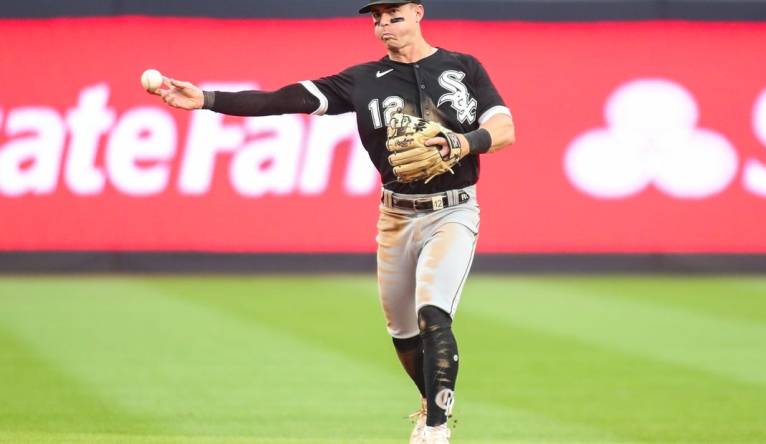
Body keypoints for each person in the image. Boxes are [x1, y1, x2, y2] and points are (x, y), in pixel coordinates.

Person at [152, 1, 514, 442]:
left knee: (433, 314)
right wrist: (207, 99)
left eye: (393, 14)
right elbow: (282, 99)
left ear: (418, 13)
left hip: (453, 210)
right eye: (376, 18)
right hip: (396, 215)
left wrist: (462, 142)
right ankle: (428, 399)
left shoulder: (463, 67)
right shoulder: (362, 80)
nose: (384, 24)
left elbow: (504, 129)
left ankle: (435, 428)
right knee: (402, 333)